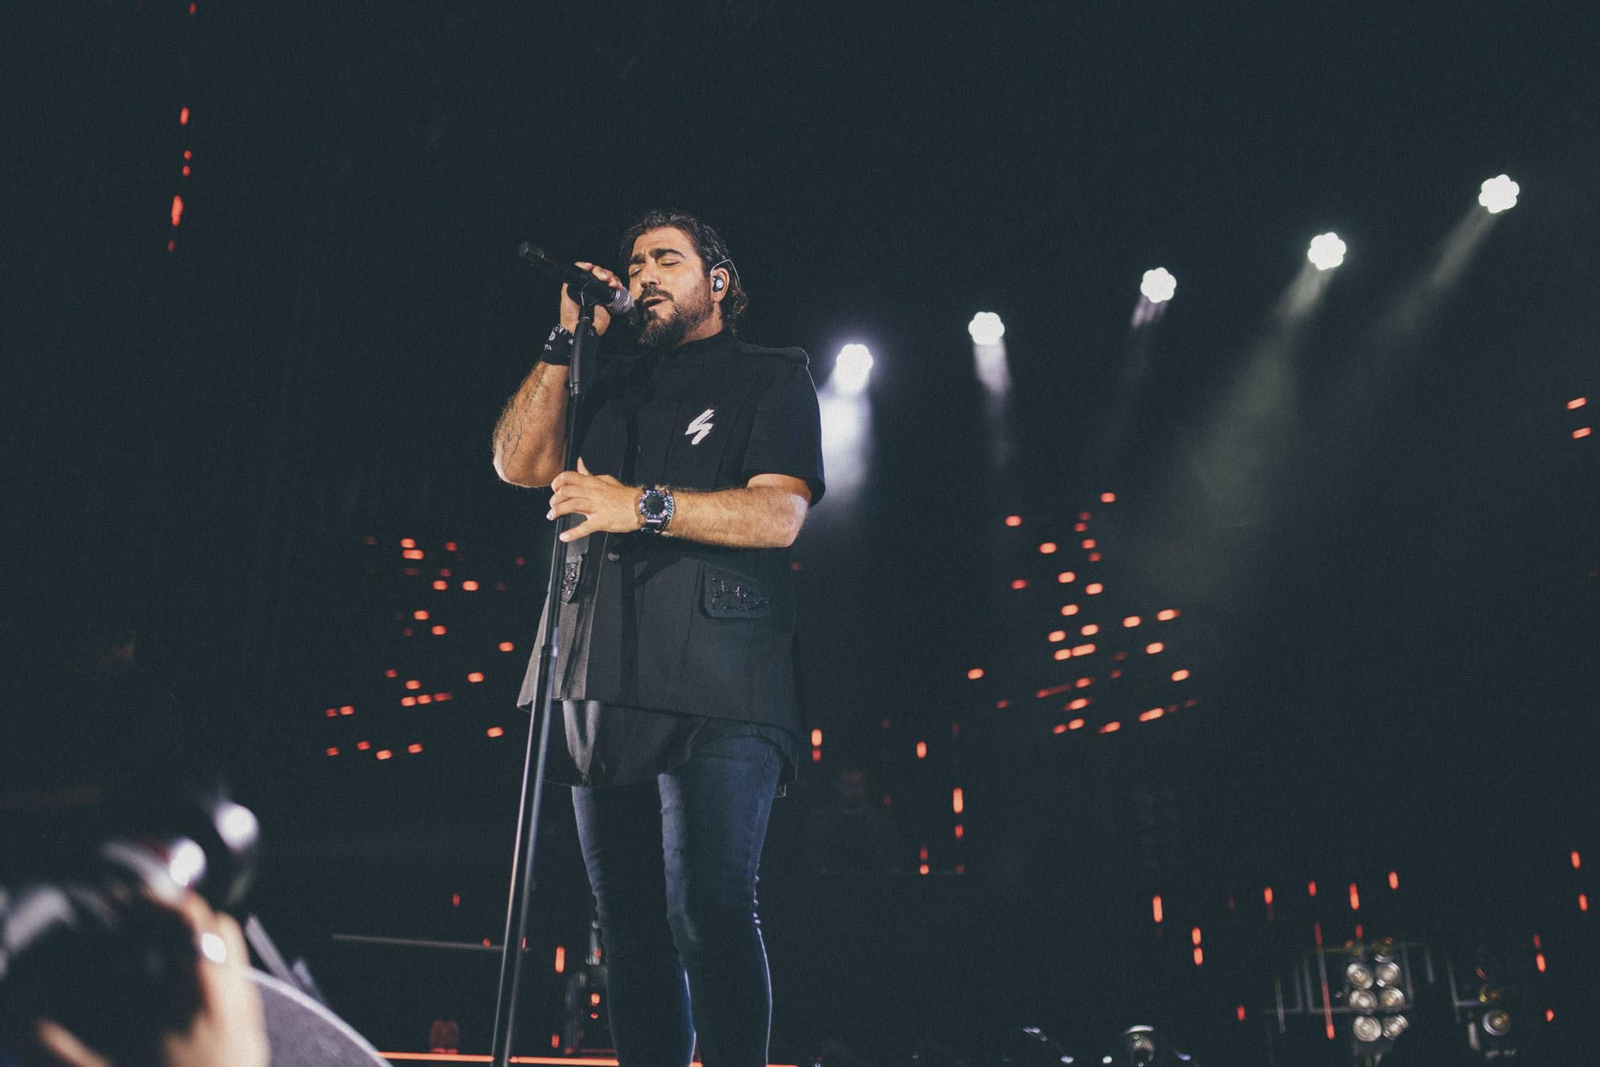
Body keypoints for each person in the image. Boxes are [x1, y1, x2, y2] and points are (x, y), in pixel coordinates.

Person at [491, 210, 824, 1067]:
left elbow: (780, 513)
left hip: (725, 679)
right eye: (635, 261)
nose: (643, 273)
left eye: (666, 259)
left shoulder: (771, 374)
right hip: (602, 669)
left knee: (707, 903)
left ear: (717, 282)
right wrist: (567, 336)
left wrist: (637, 503)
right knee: (628, 927)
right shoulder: (605, 381)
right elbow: (517, 463)